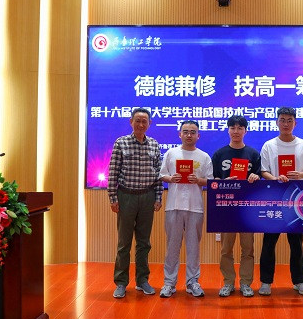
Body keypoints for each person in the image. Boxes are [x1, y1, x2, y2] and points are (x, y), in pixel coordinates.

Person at [258, 107, 303, 296]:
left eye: (289, 120)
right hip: (274, 198)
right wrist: (275, 178)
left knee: (297, 243)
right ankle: (266, 282)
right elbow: (263, 171)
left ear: (295, 123)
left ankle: (299, 281)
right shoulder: (269, 145)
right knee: (269, 242)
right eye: (282, 120)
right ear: (277, 122)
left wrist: (301, 174)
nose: (286, 124)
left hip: (297, 199)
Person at [107, 108, 163, 299]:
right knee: (124, 243)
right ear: (131, 121)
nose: (141, 124)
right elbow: (113, 172)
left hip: (147, 197)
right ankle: (121, 283)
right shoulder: (121, 142)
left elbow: (158, 175)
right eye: (137, 120)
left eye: (144, 121)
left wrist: (158, 197)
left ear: (149, 123)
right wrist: (113, 198)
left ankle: (142, 280)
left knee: (144, 243)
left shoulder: (154, 144)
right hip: (126, 197)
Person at [158, 120, 213, 298]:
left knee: (193, 247)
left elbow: (210, 181)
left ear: (198, 135)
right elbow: (162, 175)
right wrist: (170, 178)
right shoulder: (171, 153)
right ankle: (169, 283)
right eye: (186, 131)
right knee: (172, 247)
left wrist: (198, 180)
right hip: (173, 206)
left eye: (193, 132)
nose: (189, 135)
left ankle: (192, 282)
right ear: (179, 134)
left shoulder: (204, 156)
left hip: (195, 207)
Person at [211, 115, 262, 297]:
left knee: (248, 249)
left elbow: (259, 177)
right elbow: (213, 180)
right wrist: (223, 182)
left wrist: (256, 177)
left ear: (245, 131)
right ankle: (228, 283)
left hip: (247, 209)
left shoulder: (253, 154)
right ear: (228, 130)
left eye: (240, 128)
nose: (236, 131)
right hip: (227, 207)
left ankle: (246, 283)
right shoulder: (219, 154)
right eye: (233, 128)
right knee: (226, 249)